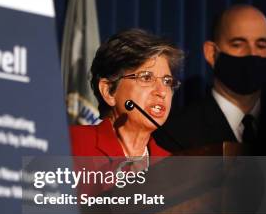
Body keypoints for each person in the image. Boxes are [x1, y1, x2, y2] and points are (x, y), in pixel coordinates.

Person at [70, 29, 183, 193]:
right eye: (146, 78)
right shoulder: (72, 145)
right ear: (109, 91)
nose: (162, 91)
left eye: (167, 81)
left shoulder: (173, 167)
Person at [155, 5, 266, 153]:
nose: (252, 53)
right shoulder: (175, 133)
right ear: (211, 53)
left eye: (261, 45)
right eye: (238, 44)